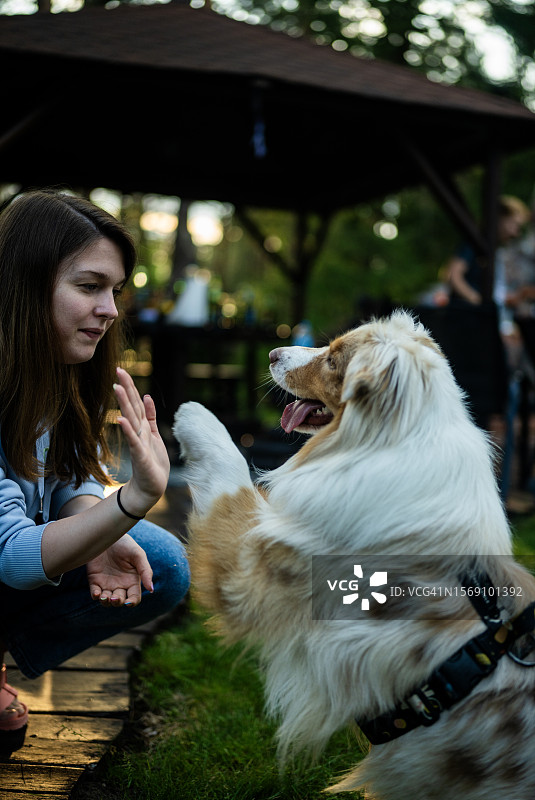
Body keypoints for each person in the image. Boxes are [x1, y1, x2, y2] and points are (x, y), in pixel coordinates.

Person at [0, 190, 190, 758]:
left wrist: (96, 523)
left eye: (114, 291)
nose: (109, 309)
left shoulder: (52, 370)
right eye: (89, 287)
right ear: (24, 287)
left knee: (159, 563)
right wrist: (131, 501)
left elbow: (67, 474)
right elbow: (9, 553)